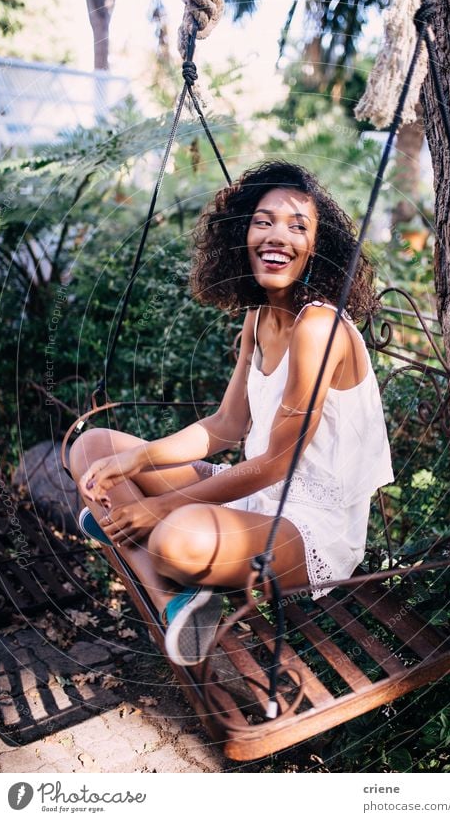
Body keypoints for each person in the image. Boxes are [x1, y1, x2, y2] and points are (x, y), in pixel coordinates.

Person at [71, 159, 394, 667]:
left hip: (309, 524)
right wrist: (138, 462)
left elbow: (276, 464)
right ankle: (175, 600)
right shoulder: (258, 316)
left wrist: (157, 507)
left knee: (175, 538)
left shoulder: (319, 328)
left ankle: (141, 545)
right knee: (93, 447)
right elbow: (226, 425)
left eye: (297, 226)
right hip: (258, 499)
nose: (278, 235)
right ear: (242, 234)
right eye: (263, 220)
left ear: (317, 248)